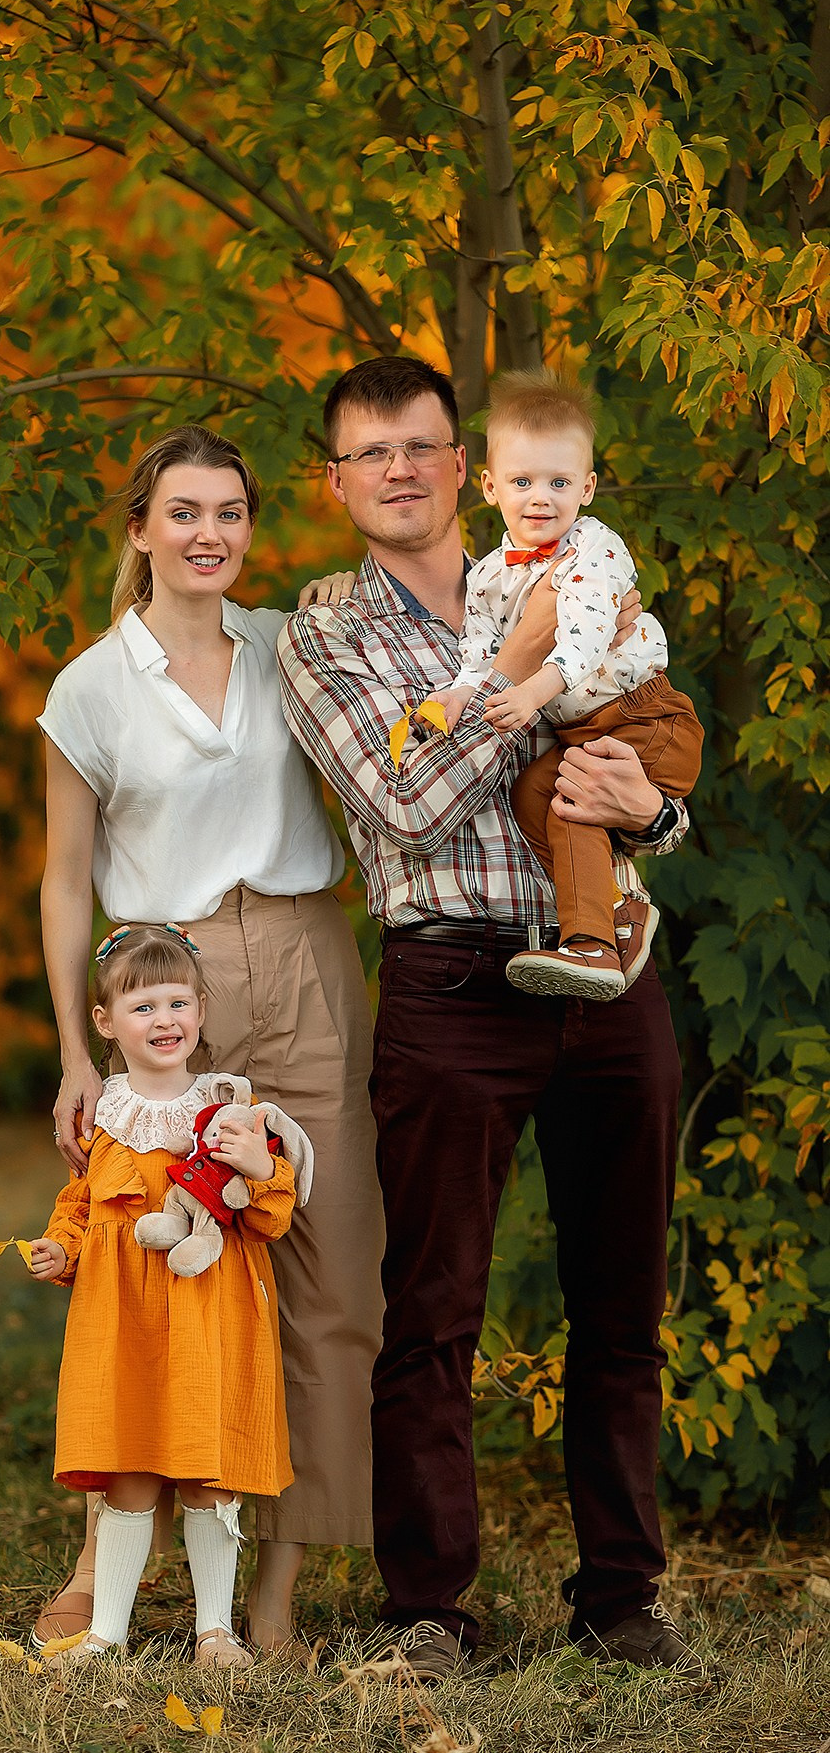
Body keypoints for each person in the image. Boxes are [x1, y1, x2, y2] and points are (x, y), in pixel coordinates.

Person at [277, 355, 704, 1681]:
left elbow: (640, 750)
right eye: (369, 453)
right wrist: (522, 676)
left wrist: (654, 809)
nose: (398, 470)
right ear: (337, 480)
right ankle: (431, 1614)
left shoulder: (569, 561)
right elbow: (403, 806)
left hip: (610, 977)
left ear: (464, 463)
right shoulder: (326, 630)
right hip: (454, 990)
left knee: (622, 1302)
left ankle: (622, 1596)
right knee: (435, 1308)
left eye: (420, 446)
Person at [35, 424, 385, 1652]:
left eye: (229, 512)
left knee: (324, 1274)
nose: (207, 534)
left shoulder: (292, 646)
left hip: (303, 957)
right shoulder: (89, 686)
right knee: (147, 1271)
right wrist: (81, 1056)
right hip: (165, 976)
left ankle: (273, 1601)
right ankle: (102, 1567)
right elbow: (64, 881)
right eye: (182, 512)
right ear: (140, 529)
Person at [26, 925, 304, 1669]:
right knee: (131, 1469)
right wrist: (63, 1251)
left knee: (209, 1469)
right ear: (105, 1023)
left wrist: (257, 1165)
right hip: (125, 1325)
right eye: (143, 1006)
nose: (164, 1020)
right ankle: (108, 1631)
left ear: (203, 1010)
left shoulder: (229, 1111)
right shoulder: (103, 1113)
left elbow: (269, 1213)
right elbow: (82, 1206)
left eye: (178, 1002)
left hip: (211, 1319)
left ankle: (215, 1632)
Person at [427, 369, 703, 1001]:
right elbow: (481, 651)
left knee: (569, 800)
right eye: (522, 482)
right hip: (584, 735)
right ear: (491, 487)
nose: (541, 497)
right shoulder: (492, 573)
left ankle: (594, 939)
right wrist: (460, 693)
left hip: (642, 720)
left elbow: (580, 641)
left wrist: (527, 694)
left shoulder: (593, 550)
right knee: (536, 799)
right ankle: (610, 923)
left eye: (558, 482)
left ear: (588, 486)